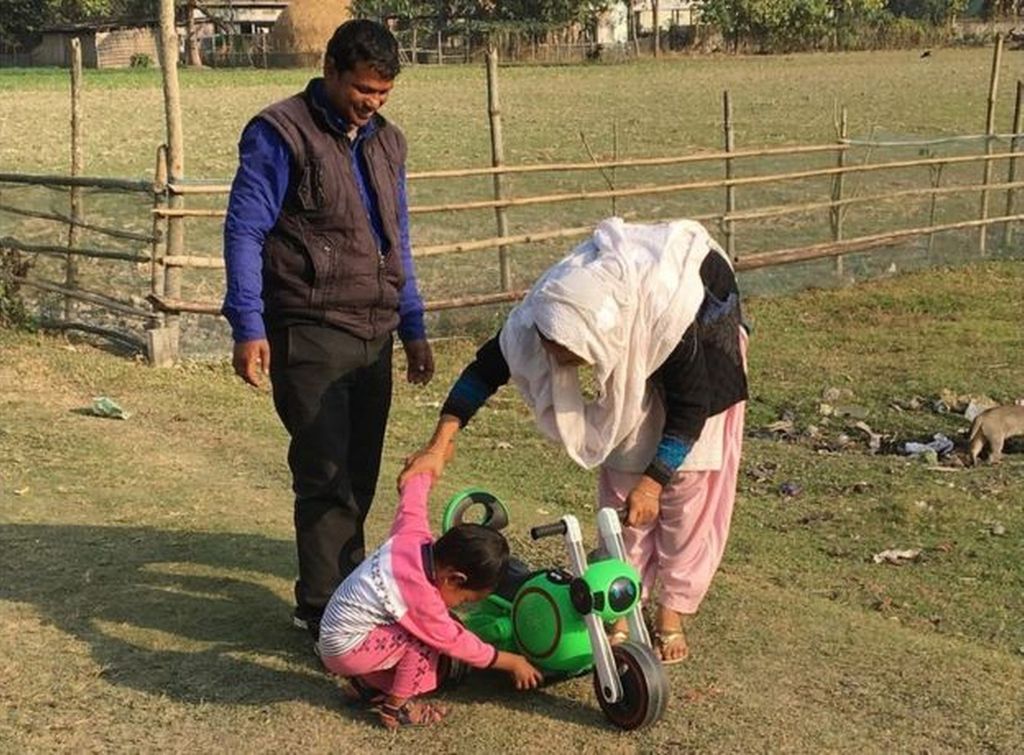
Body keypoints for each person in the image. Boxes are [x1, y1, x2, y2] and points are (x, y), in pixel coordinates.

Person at [400, 218, 748, 665]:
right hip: (634, 337)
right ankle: (621, 609)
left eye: (572, 358)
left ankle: (670, 617)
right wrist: (438, 443)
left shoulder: (665, 322)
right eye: (554, 352)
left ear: (602, 340)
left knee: (688, 498)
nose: (557, 364)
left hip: (700, 335)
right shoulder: (546, 312)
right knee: (623, 495)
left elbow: (691, 407)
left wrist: (655, 482)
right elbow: (485, 371)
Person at [221, 20, 434, 643]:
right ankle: (321, 613)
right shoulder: (279, 133)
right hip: (309, 329)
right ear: (332, 70)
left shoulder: (388, 142)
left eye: (384, 94)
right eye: (364, 90)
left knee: (360, 474)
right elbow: (245, 231)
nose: (372, 104)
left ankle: (348, 596)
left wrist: (414, 323)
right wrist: (247, 322)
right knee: (326, 474)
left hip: (376, 331)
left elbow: (400, 241)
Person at [318, 472, 543, 728]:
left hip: (339, 634)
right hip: (345, 649)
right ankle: (396, 709)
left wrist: (422, 473)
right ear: (454, 579)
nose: (461, 605)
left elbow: (413, 502)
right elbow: (456, 642)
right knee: (423, 639)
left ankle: (366, 686)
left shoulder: (413, 538)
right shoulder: (422, 596)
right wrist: (510, 661)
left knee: (416, 633)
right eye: (465, 599)